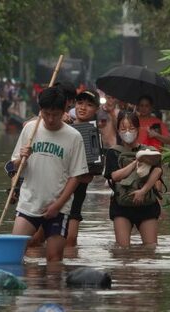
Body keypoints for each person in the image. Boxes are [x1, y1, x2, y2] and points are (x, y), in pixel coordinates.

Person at [10, 86, 89, 262]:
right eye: (46, 114)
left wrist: (58, 204)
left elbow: (76, 176)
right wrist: (20, 159)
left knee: (54, 259)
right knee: (14, 254)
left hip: (58, 207)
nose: (51, 119)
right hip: (29, 203)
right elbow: (15, 167)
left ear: (64, 111)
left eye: (55, 114)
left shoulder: (74, 137)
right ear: (40, 110)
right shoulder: (30, 130)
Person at [103, 111, 163, 248]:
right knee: (122, 250)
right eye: (123, 129)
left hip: (147, 205)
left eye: (131, 128)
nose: (127, 132)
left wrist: (143, 191)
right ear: (118, 130)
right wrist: (136, 162)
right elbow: (115, 176)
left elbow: (158, 171)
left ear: (138, 129)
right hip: (122, 206)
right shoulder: (113, 152)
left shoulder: (150, 151)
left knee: (151, 249)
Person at [66, 90, 99, 247]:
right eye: (80, 103)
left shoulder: (93, 136)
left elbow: (89, 176)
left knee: (71, 241)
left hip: (76, 197)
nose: (83, 108)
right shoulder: (60, 126)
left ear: (96, 109)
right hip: (52, 192)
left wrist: (73, 173)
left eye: (89, 105)